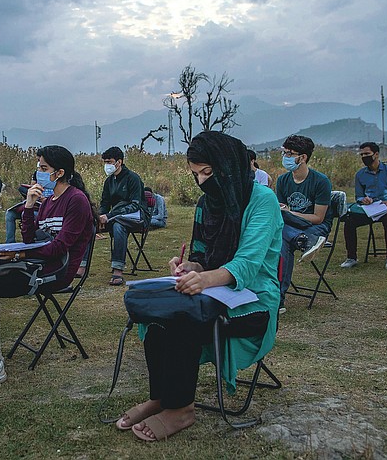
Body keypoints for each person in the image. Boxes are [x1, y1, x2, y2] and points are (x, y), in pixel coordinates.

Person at [116, 131, 282, 442]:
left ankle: (182, 409)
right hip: (214, 289)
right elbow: (201, 256)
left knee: (183, 318)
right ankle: (162, 397)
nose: (203, 181)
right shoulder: (207, 204)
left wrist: (203, 279)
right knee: (157, 313)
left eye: (208, 172)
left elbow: (247, 264)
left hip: (255, 296)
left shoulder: (263, 201)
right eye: (196, 174)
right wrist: (190, 268)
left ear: (229, 166)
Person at [0, 145, 94, 389]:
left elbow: (60, 248)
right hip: (36, 263)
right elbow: (30, 239)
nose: (38, 172)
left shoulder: (76, 200)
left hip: (56, 272)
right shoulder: (49, 201)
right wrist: (29, 206)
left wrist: (17, 253)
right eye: (39, 167)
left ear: (59, 173)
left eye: (43, 168)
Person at [275, 135, 332, 308]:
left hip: (315, 228)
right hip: (293, 228)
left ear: (303, 157)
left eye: (290, 153)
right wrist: (285, 211)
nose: (285, 157)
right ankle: (303, 241)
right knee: (281, 233)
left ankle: (278, 299)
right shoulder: (283, 180)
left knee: (282, 232)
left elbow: (318, 218)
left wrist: (289, 212)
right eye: (284, 152)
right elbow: (282, 211)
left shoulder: (320, 181)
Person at [341, 142, 387, 270]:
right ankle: (351, 257)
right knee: (349, 220)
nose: (364, 157)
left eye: (367, 154)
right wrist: (364, 200)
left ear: (376, 154)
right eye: (362, 155)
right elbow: (358, 196)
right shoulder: (360, 174)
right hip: (370, 208)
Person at [98, 146, 150, 286]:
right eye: (105, 162)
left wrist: (109, 215)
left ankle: (118, 270)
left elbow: (135, 205)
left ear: (119, 162)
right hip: (114, 216)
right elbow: (105, 202)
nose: (107, 165)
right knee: (89, 225)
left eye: (109, 162)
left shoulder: (133, 178)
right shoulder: (109, 181)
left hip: (137, 217)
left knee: (118, 225)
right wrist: (100, 216)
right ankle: (80, 266)